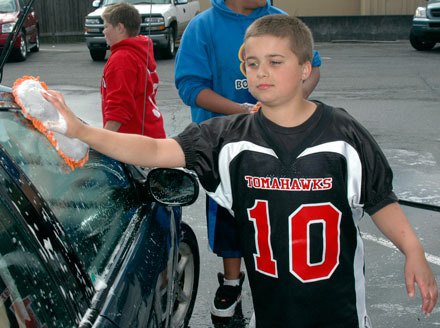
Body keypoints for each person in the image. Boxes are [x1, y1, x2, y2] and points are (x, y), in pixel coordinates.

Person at [43, 14, 437, 328]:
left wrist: (414, 250)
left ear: (305, 68)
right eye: (252, 63)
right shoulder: (226, 139)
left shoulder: (343, 135)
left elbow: (380, 199)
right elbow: (153, 149)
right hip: (271, 312)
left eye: (275, 62)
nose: (261, 72)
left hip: (341, 312)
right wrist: (80, 130)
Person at [174, 0, 322, 320]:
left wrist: (288, 102)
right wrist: (244, 113)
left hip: (275, 140)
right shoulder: (203, 27)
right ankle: (231, 281)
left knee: (277, 209)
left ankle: (281, 279)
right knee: (229, 214)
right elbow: (191, 86)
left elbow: (313, 68)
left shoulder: (280, 21)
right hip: (223, 141)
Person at [100, 3, 165, 138]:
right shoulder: (138, 51)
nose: (103, 31)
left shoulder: (122, 59)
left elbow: (119, 109)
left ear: (120, 28)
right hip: (151, 134)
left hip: (134, 144)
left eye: (106, 26)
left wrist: (103, 141)